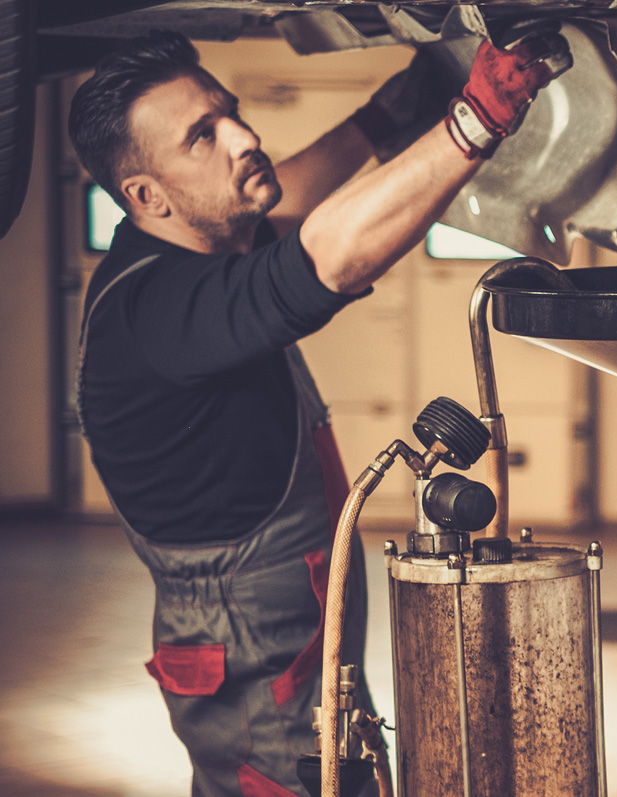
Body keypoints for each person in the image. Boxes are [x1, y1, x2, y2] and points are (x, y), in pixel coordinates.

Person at [70, 27, 567, 796]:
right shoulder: (156, 309)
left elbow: (285, 195)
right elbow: (323, 257)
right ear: (146, 196)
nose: (243, 137)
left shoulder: (198, 243)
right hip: (248, 653)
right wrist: (474, 120)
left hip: (288, 636)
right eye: (203, 136)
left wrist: (385, 115)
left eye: (230, 112)